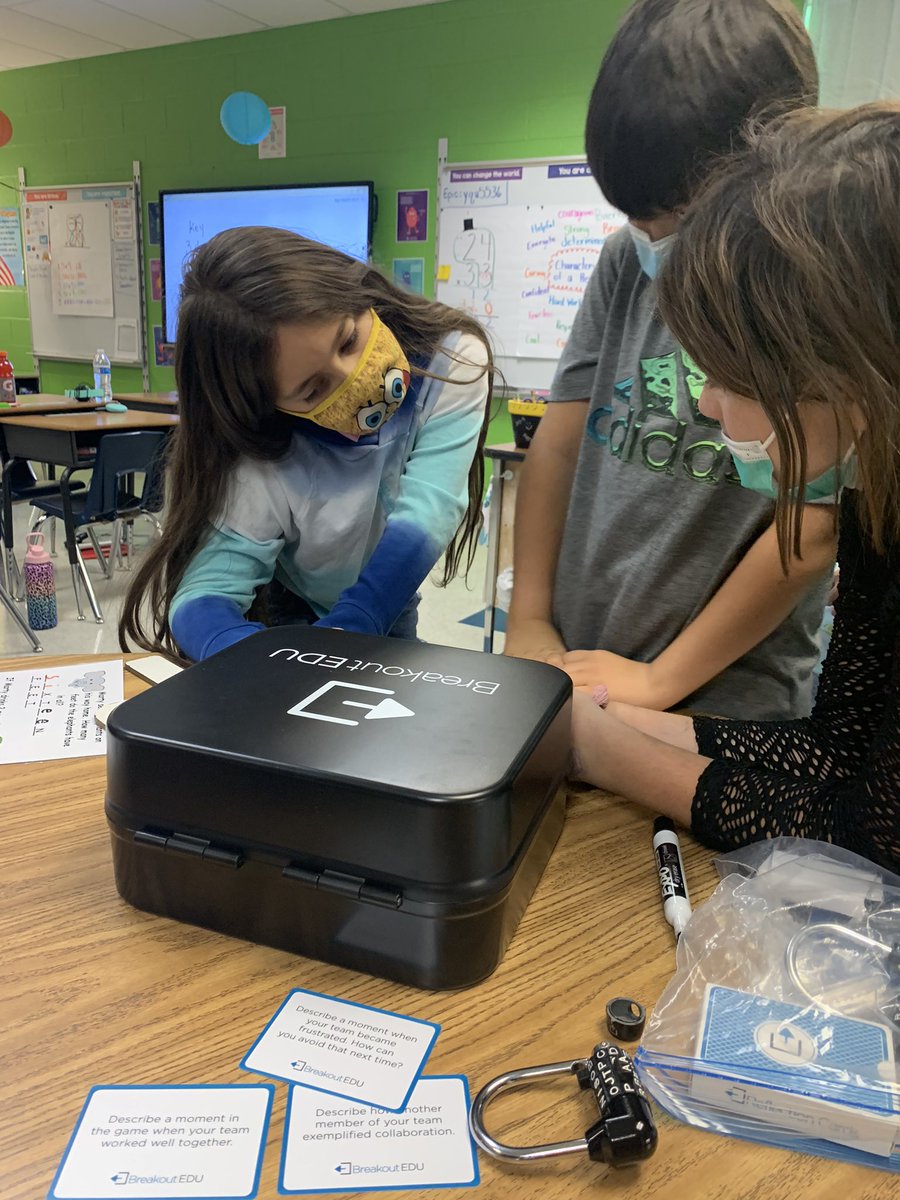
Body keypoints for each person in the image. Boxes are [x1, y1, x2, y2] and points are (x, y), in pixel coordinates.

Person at [572, 102, 900, 874]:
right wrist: (612, 721)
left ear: (852, 371)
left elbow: (873, 839)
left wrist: (598, 750)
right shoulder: (875, 495)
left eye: (729, 375)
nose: (707, 405)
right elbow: (837, 750)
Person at [505, 0, 834, 720]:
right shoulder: (628, 261)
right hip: (584, 657)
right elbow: (558, 447)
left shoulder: (812, 288)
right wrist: (528, 616)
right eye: (637, 220)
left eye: (679, 223)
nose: (655, 242)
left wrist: (660, 682)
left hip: (728, 694)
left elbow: (809, 527)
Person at [119, 226, 492, 662]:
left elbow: (426, 516)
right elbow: (205, 594)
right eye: (314, 390)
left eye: (349, 339)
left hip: (386, 582)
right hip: (288, 602)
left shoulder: (453, 362)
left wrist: (348, 630)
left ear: (356, 289)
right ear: (271, 407)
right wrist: (258, 663)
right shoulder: (263, 444)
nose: (355, 376)